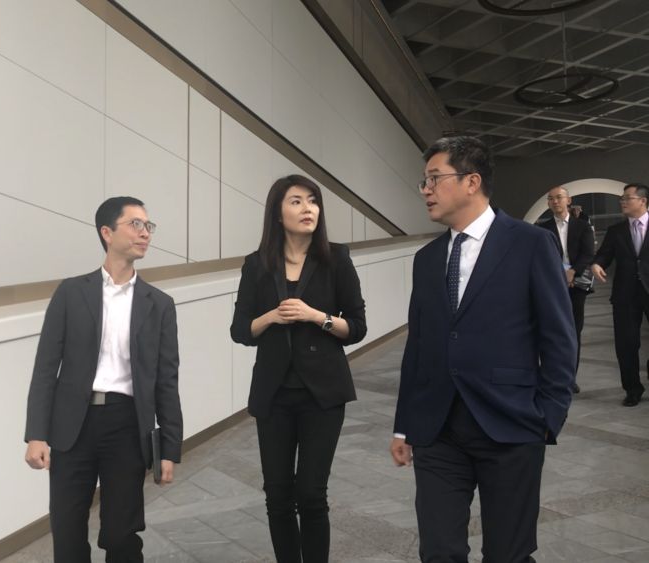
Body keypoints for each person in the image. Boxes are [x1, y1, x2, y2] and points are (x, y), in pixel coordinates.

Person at [390, 136, 575, 562]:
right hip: (438, 431)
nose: (426, 190)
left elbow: (559, 337)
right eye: (424, 181)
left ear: (472, 181)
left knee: (508, 554)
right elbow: (418, 346)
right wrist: (404, 425)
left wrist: (549, 416)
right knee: (438, 551)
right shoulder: (427, 258)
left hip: (511, 425)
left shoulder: (530, 243)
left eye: (434, 179)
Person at [23, 196, 182, 562]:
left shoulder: (159, 304)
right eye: (136, 225)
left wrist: (170, 448)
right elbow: (46, 368)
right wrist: (36, 434)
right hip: (72, 427)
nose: (146, 233)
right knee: (67, 530)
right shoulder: (70, 292)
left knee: (122, 533)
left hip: (127, 426)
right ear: (107, 233)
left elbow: (166, 380)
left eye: (148, 226)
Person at [231, 175, 367, 563]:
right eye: (296, 201)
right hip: (274, 395)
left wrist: (315, 316)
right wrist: (272, 316)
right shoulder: (256, 265)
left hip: (322, 394)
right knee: (277, 494)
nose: (308, 208)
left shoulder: (335, 258)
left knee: (311, 493)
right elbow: (241, 330)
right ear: (277, 213)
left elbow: (356, 327)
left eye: (312, 201)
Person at [591, 183, 649, 406]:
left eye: (627, 198)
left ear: (642, 201)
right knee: (626, 344)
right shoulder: (616, 231)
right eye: (622, 198)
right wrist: (596, 264)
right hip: (625, 295)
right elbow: (603, 255)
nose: (622, 201)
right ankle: (632, 389)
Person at [538, 186, 595, 392]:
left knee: (573, 332)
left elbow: (589, 253)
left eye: (559, 198)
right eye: (551, 198)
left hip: (577, 286)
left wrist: (572, 272)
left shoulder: (583, 226)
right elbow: (542, 257)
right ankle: (553, 376)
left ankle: (570, 378)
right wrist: (560, 275)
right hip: (553, 286)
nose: (555, 202)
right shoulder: (543, 229)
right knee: (552, 331)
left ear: (568, 200)